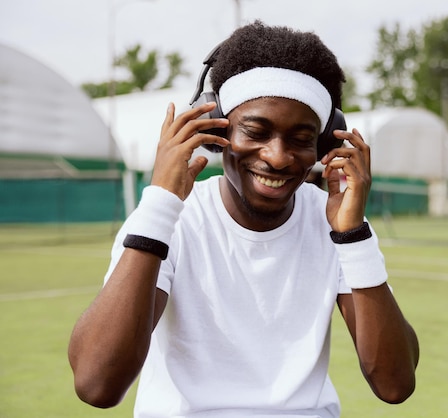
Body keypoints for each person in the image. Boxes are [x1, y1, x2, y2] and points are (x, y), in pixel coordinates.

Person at [68, 21, 419, 417]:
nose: (278, 156)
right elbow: (97, 384)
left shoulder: (334, 225)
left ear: (324, 144)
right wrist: (159, 206)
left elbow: (394, 383)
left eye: (302, 139)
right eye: (256, 131)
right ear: (216, 129)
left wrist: (353, 235)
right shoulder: (167, 219)